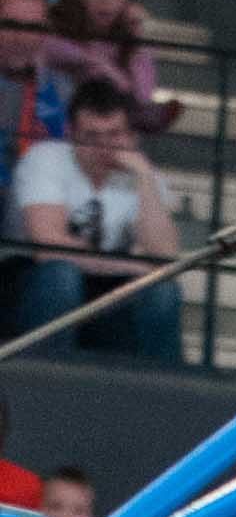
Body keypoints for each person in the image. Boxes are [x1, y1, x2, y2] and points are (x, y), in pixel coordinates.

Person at [6, 78, 180, 359]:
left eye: (115, 135)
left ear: (132, 137)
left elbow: (166, 257)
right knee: (62, 275)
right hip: (37, 287)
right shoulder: (46, 159)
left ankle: (164, 392)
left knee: (163, 292)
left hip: (109, 296)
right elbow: (50, 247)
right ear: (71, 133)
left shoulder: (145, 175)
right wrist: (133, 264)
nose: (105, 147)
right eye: (92, 136)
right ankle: (46, 378)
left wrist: (145, 178)